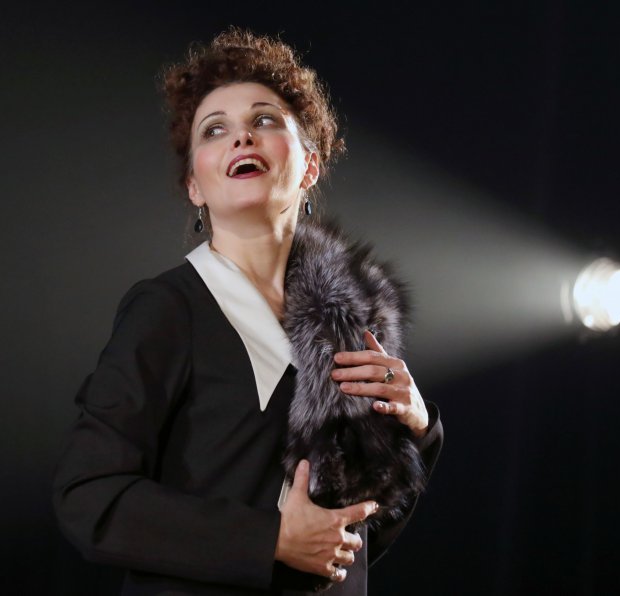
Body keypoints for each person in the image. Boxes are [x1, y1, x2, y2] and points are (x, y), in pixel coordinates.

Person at [53, 28, 443, 596]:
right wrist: (269, 540)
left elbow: (351, 543)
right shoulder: (168, 309)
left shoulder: (351, 328)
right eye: (214, 130)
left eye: (264, 120)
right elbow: (88, 495)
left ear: (310, 165)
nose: (241, 136)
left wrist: (417, 427)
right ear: (195, 185)